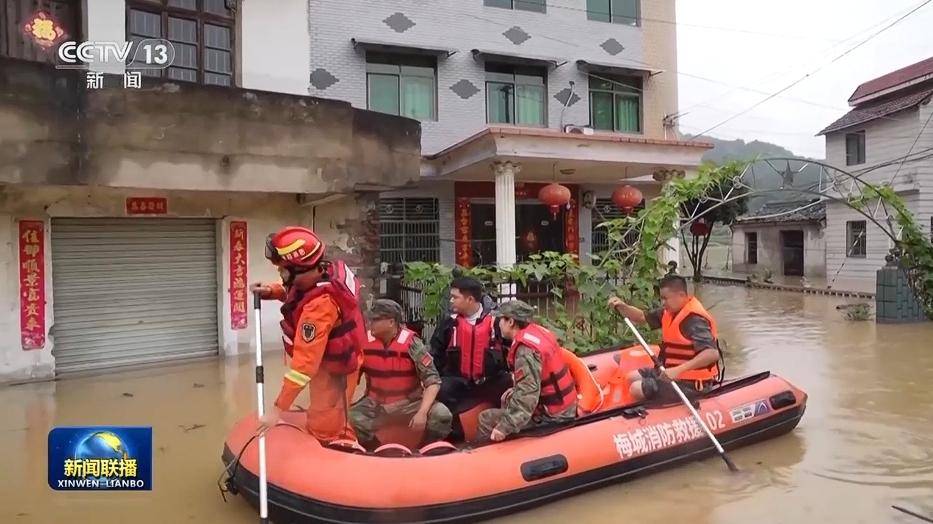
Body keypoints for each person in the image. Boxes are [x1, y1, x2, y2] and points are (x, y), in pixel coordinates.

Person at [251, 226, 366, 443]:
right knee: (323, 416)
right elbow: (300, 293)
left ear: (298, 270)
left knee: (327, 427)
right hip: (330, 363)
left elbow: (303, 368)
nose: (280, 273)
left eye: (283, 270)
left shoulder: (319, 310)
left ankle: (342, 453)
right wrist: (274, 291)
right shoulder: (322, 272)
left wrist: (277, 410)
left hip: (335, 373)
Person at [349, 299, 452, 449]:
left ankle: (426, 448)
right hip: (375, 403)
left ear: (391, 322)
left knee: (441, 415)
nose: (370, 323)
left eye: (375, 320)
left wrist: (422, 413)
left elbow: (433, 381)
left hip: (409, 404)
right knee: (350, 418)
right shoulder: (364, 341)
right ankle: (372, 449)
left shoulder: (412, 344)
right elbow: (349, 376)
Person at [608, 274, 722, 403]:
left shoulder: (694, 320)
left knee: (636, 388)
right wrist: (622, 306)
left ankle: (649, 414)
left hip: (692, 383)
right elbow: (641, 317)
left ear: (681, 295)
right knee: (631, 377)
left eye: (665, 298)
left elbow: (712, 354)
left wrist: (678, 370)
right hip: (670, 373)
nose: (663, 303)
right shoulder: (668, 313)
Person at [475, 300, 577, 443]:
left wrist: (505, 426)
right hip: (563, 406)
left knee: (486, 419)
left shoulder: (525, 351)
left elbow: (527, 394)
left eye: (500, 320)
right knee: (507, 399)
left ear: (510, 322)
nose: (498, 324)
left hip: (554, 415)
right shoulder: (539, 332)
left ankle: (484, 460)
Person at [429, 277, 510, 437]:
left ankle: (508, 427)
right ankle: (453, 432)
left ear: (470, 299)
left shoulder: (497, 322)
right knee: (440, 389)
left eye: (455, 297)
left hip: (489, 380)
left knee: (510, 384)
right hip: (458, 380)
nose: (451, 301)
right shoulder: (449, 323)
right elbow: (436, 354)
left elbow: (511, 351)